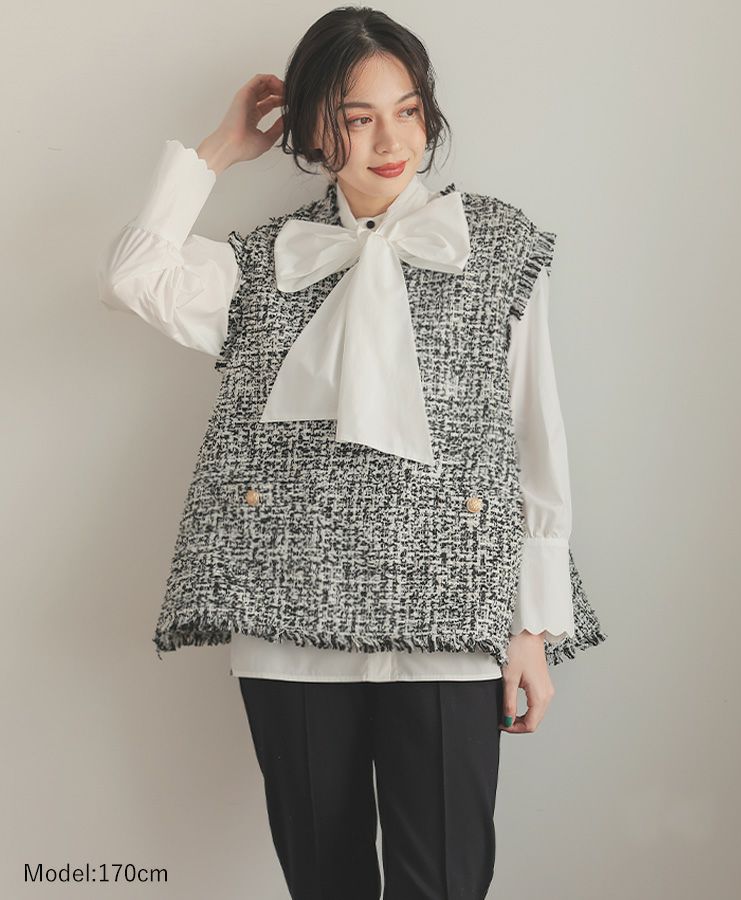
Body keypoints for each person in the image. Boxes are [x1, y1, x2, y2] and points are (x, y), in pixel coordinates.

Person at [97, 7, 606, 898]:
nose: (391, 141)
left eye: (407, 112)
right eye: (357, 118)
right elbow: (133, 276)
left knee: (443, 882)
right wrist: (217, 152)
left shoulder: (495, 245)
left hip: (453, 620)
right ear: (310, 130)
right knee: (323, 883)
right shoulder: (268, 260)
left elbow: (534, 437)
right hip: (287, 628)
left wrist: (532, 626)